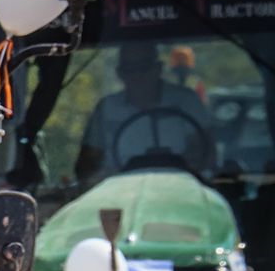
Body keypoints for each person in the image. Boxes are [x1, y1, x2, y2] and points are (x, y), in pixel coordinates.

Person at [74, 43, 212, 179]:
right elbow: (87, 164)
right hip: (120, 192)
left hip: (180, 186)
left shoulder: (186, 101)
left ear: (158, 68)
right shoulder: (107, 108)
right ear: (120, 73)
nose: (138, 75)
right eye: (130, 69)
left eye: (144, 68)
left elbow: (205, 153)